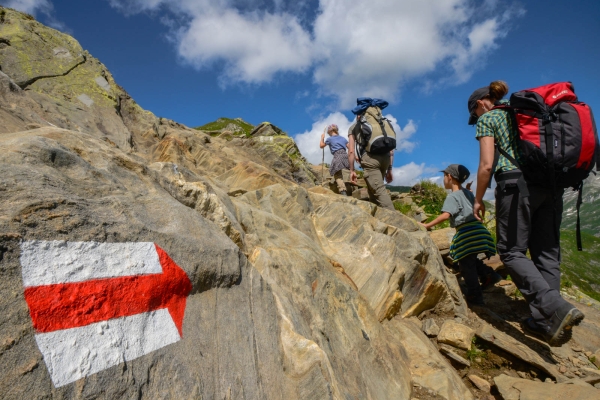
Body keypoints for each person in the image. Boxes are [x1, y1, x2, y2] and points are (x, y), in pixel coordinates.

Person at [469, 80, 584, 346]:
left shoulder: (490, 118)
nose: (475, 120)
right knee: (546, 253)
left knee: (510, 251)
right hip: (552, 186)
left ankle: (554, 308)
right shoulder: (528, 112)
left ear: (479, 105)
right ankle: (546, 322)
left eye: (474, 116)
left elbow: (487, 166)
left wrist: (478, 199)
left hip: (516, 185)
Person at [421, 165, 500, 305]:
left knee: (465, 264)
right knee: (471, 258)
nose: (443, 179)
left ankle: (475, 295)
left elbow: (446, 215)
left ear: (449, 177)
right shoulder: (468, 193)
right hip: (479, 230)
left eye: (444, 176)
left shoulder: (452, 196)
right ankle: (489, 274)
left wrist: (427, 225)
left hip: (466, 232)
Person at [347, 118, 395, 210]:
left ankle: (398, 221)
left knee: (379, 191)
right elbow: (391, 151)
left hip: (370, 159)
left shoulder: (354, 127)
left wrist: (352, 170)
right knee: (372, 189)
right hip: (385, 158)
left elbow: (351, 151)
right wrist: (389, 169)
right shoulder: (381, 123)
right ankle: (378, 217)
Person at [320, 124, 350, 195]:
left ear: (330, 131)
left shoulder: (329, 139)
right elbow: (350, 147)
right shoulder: (343, 138)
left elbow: (321, 146)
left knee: (337, 174)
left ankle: (343, 191)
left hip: (337, 155)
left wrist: (322, 138)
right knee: (344, 171)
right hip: (345, 155)